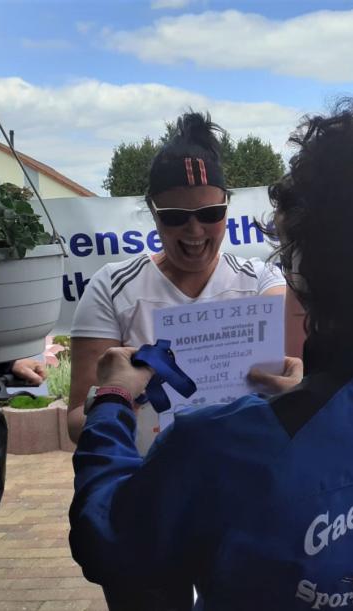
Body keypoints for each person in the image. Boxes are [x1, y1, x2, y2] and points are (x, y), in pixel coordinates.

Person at [69, 101, 353, 610]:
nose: (195, 231)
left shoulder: (219, 442)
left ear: (300, 265)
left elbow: (106, 540)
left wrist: (111, 399)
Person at [67, 111, 288, 454]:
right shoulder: (110, 287)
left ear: (227, 208)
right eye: (175, 218)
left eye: (210, 213)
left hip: (242, 471)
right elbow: (76, 422)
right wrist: (118, 399)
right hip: (151, 475)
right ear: (153, 213)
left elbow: (293, 372)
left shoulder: (260, 281)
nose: (195, 230)